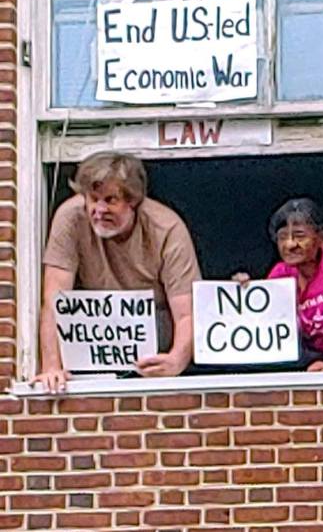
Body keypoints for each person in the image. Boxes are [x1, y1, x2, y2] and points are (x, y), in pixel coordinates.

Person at [33, 152, 202, 392]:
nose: (99, 210)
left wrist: (176, 360)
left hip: (154, 343)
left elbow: (187, 312)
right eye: (93, 199)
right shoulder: (69, 218)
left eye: (110, 200)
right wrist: (51, 367)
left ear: (133, 200)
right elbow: (53, 301)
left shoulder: (167, 228)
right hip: (90, 346)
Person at [235, 198, 323, 371]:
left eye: (299, 236)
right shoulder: (281, 273)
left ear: (321, 238)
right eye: (282, 237)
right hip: (301, 362)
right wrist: (243, 292)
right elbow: (262, 322)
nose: (290, 244)